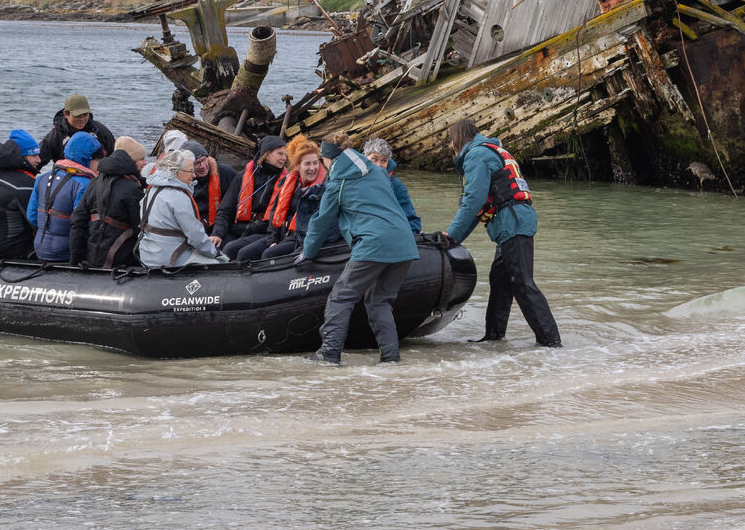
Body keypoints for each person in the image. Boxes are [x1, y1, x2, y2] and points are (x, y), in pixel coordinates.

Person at [296, 140, 423, 363]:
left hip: (373, 243)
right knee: (379, 300)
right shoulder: (379, 172)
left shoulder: (338, 181)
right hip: (404, 244)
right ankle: (391, 358)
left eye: (324, 160)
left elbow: (321, 221)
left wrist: (308, 251)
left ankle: (329, 353)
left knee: (341, 297)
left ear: (329, 159)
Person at [444, 119, 561, 347]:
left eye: (450, 141)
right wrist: (455, 238)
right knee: (500, 281)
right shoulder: (489, 150)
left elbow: (473, 201)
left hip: (513, 224)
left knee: (523, 284)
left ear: (458, 138)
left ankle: (552, 344)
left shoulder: (476, 156)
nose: (450, 147)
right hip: (512, 223)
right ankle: (493, 338)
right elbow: (478, 208)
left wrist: (452, 234)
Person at [217, 136, 303, 264]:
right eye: (279, 154)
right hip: (240, 228)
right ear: (266, 155)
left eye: (285, 155)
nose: (284, 159)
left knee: (234, 250)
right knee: (218, 247)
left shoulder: (286, 182)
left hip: (265, 231)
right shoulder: (243, 177)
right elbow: (225, 209)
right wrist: (217, 233)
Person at [139, 147, 224, 268]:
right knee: (219, 265)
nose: (194, 175)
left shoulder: (151, 190)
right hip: (170, 258)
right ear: (177, 172)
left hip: (147, 254)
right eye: (190, 171)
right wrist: (215, 253)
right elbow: (195, 236)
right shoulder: (178, 197)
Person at [28, 132, 101, 262]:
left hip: (40, 247)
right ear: (87, 158)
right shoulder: (86, 184)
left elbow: (32, 216)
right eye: (98, 160)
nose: (100, 165)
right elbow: (84, 227)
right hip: (66, 253)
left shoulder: (41, 179)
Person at [70, 146, 146, 269]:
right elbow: (140, 227)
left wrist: (75, 259)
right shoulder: (132, 188)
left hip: (93, 254)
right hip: (121, 257)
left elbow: (77, 220)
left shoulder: (93, 183)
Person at [38, 94, 114, 167]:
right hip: (67, 177)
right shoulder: (55, 136)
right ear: (66, 114)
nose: (82, 119)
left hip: (98, 177)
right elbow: (36, 162)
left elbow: (114, 156)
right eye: (77, 115)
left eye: (85, 115)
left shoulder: (99, 130)